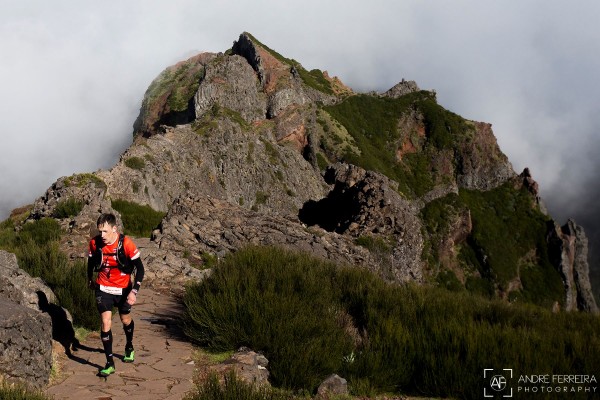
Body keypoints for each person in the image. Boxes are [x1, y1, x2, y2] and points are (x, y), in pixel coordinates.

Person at [87, 213, 145, 377]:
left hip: (124, 289)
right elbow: (91, 262)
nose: (102, 235)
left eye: (105, 231)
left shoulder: (126, 243)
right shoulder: (95, 243)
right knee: (106, 323)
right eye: (100, 232)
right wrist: (89, 278)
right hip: (103, 288)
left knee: (125, 319)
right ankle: (109, 362)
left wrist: (134, 291)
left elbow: (140, 269)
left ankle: (129, 346)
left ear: (114, 229)